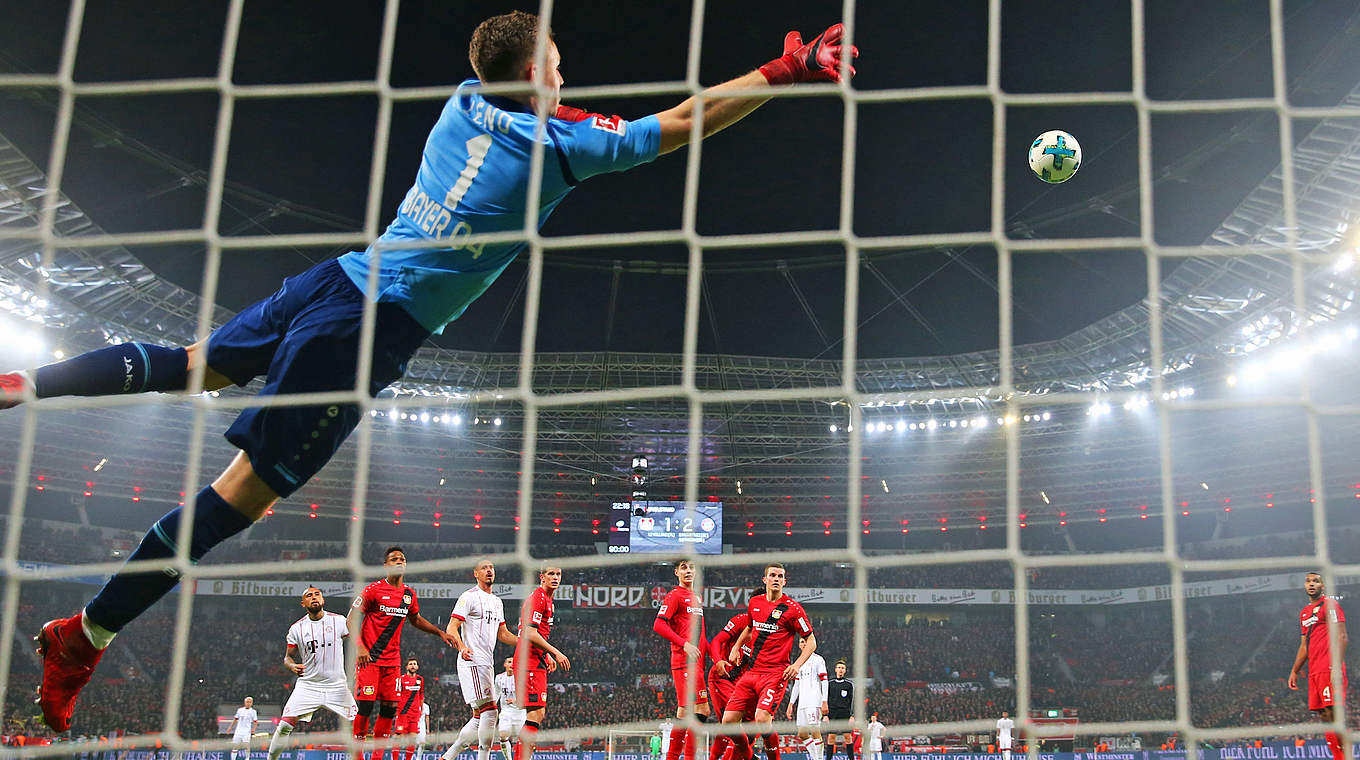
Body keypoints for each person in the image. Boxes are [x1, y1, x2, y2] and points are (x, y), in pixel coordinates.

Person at [22, 8, 857, 734]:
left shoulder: (462, 103)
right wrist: (785, 68)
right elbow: (680, 123)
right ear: (534, 75)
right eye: (558, 67)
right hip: (365, 333)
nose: (567, 78)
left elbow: (570, 110)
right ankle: (85, 638)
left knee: (194, 364)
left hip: (336, 278)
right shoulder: (555, 147)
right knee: (244, 492)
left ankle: (26, 386)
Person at [349, 548, 457, 760]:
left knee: (389, 709)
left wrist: (439, 632)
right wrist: (360, 647)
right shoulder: (373, 590)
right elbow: (351, 619)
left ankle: (378, 756)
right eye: (393, 559)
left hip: (392, 661)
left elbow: (415, 619)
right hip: (369, 659)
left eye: (402, 559)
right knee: (366, 705)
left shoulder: (408, 595)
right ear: (386, 565)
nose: (398, 561)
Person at [720, 564, 817, 760]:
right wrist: (736, 647)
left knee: (762, 718)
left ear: (784, 581)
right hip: (752, 672)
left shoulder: (793, 609)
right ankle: (748, 756)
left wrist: (796, 665)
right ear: (765, 580)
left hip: (775, 673)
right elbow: (749, 628)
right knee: (727, 722)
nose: (776, 579)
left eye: (780, 576)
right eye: (772, 575)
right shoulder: (755, 602)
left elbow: (811, 642)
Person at [267, 587, 358, 760]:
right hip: (308, 686)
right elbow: (288, 657)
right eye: (309, 595)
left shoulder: (338, 621)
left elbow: (357, 639)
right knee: (285, 724)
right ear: (303, 603)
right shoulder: (296, 629)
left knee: (358, 724)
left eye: (317, 594)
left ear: (323, 600)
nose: (314, 597)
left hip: (337, 686)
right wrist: (291, 666)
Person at [441, 560, 519, 760]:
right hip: (473, 662)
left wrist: (524, 642)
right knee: (491, 712)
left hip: (487, 664)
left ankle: (447, 756)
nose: (489, 571)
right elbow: (451, 627)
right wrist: (462, 646)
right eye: (484, 568)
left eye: (492, 567)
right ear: (475, 573)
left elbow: (503, 634)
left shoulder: (497, 602)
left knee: (479, 717)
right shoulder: (469, 597)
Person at [1288, 572, 1349, 760]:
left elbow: (1342, 637)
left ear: (1323, 586)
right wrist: (1295, 670)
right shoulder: (1304, 613)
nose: (1311, 584)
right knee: (1324, 717)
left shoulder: (1330, 605)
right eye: (1308, 581)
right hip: (1314, 671)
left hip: (1329, 667)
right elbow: (1304, 646)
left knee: (1333, 715)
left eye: (1316, 581)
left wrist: (1336, 667)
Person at [653, 560, 710, 760]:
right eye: (684, 567)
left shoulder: (696, 596)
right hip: (684, 662)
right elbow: (659, 625)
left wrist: (714, 656)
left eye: (692, 567)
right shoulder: (675, 595)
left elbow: (700, 634)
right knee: (701, 709)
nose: (688, 571)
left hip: (696, 662)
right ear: (676, 572)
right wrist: (684, 644)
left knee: (684, 713)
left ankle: (672, 757)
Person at [514, 565, 571, 760]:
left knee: (538, 713)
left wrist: (545, 654)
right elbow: (529, 632)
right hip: (528, 660)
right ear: (542, 577)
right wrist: (555, 652)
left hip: (535, 658)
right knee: (536, 712)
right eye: (551, 574)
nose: (555, 578)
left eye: (558, 574)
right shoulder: (538, 597)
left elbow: (527, 630)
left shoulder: (547, 599)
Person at [786, 637, 828, 760]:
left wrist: (824, 700)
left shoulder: (818, 660)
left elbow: (824, 681)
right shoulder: (799, 662)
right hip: (802, 703)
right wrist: (791, 703)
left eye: (806, 641)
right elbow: (797, 685)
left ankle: (819, 758)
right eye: (802, 642)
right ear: (799, 645)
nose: (804, 644)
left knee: (815, 731)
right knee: (802, 734)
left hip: (814, 701)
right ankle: (815, 757)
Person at [494, 657, 527, 760]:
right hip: (506, 712)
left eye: (514, 662)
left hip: (520, 713)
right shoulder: (499, 678)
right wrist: (491, 706)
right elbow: (496, 693)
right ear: (505, 665)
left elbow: (528, 696)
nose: (511, 664)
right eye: (509, 662)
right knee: (503, 735)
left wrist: (516, 701)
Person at [396, 659, 426, 760]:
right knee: (398, 739)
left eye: (414, 664)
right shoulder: (401, 679)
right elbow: (396, 695)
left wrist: (421, 708)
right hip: (402, 713)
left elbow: (421, 695)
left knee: (412, 739)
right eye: (410, 664)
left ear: (417, 667)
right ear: (406, 667)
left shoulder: (420, 679)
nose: (413, 666)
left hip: (415, 714)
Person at [825, 660, 854, 760]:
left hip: (845, 713)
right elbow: (826, 700)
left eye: (843, 668)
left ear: (845, 671)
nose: (841, 670)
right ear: (835, 669)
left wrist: (852, 715)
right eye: (839, 668)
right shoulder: (830, 684)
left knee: (848, 737)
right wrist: (825, 715)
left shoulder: (849, 685)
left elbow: (852, 700)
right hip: (832, 714)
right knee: (831, 737)